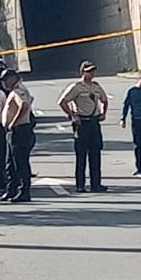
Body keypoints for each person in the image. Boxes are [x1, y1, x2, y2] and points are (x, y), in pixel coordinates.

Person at [58, 61, 109, 192]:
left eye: (93, 71)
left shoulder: (96, 86)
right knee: (81, 155)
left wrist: (104, 113)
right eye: (89, 71)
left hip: (94, 122)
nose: (92, 73)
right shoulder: (76, 87)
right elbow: (63, 102)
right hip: (82, 123)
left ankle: (96, 184)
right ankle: (80, 185)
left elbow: (104, 99)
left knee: (95, 153)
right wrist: (72, 115)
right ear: (82, 72)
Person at [0, 70, 35, 203]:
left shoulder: (17, 91)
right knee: (10, 163)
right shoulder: (15, 90)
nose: (3, 82)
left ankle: (23, 191)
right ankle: (11, 189)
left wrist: (13, 122)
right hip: (14, 130)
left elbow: (24, 105)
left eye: (6, 79)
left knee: (19, 162)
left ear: (13, 78)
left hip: (19, 130)